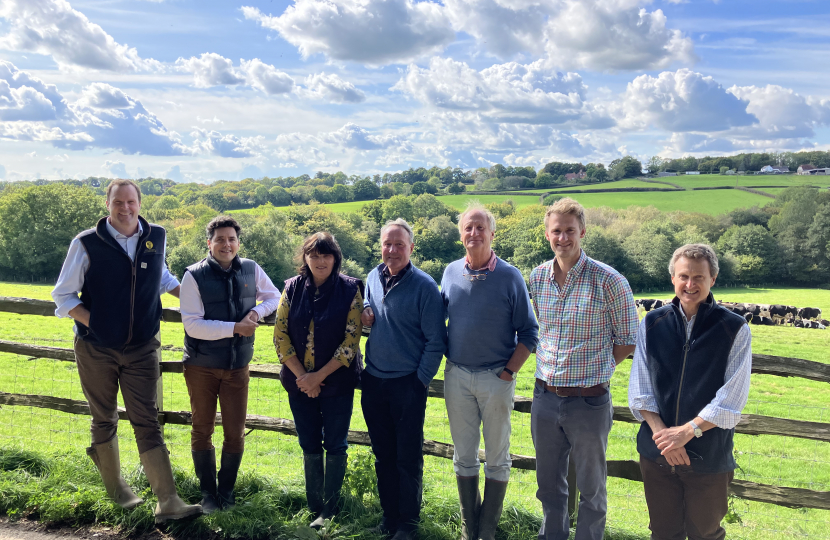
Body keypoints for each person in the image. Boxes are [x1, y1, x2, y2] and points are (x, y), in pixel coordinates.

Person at [51, 179, 201, 524]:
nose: (125, 208)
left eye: (130, 201)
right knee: (104, 417)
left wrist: (196, 301)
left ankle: (168, 502)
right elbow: (63, 296)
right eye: (118, 201)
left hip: (142, 346)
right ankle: (118, 492)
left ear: (139, 203)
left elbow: (162, 277)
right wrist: (97, 324)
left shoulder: (156, 236)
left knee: (147, 420)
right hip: (96, 348)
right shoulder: (87, 242)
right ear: (107, 204)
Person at [528, 197, 638, 540]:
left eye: (569, 231)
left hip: (589, 402)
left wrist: (595, 371)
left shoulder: (609, 281)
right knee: (548, 484)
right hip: (545, 397)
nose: (563, 238)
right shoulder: (538, 278)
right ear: (547, 234)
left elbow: (627, 340)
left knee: (591, 487)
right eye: (556, 231)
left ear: (583, 232)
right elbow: (540, 330)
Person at [628, 244, 751, 540]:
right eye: (683, 276)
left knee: (705, 534)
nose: (690, 284)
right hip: (657, 456)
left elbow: (731, 398)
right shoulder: (651, 323)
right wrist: (666, 439)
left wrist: (687, 432)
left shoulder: (734, 329)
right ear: (673, 278)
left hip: (707, 457)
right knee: (663, 533)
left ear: (713, 279)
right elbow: (641, 389)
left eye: (699, 277)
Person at [440, 203, 538, 540]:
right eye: (468, 227)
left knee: (497, 456)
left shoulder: (509, 276)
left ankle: (487, 530)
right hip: (456, 377)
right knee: (463, 455)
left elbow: (529, 332)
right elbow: (436, 319)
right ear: (460, 235)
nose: (474, 233)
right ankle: (471, 528)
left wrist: (508, 373)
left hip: (496, 377)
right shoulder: (450, 272)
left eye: (480, 227)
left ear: (492, 234)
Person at [179, 216, 280, 513]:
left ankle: (227, 491)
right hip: (201, 366)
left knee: (235, 432)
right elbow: (193, 325)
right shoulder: (193, 276)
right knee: (202, 429)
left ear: (238, 242)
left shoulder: (251, 268)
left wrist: (256, 314)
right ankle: (208, 494)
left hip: (237, 367)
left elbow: (274, 296)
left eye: (232, 239)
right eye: (220, 239)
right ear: (209, 243)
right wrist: (235, 328)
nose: (227, 244)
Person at [361, 219, 447, 540]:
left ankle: (408, 524)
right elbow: (369, 300)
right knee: (383, 454)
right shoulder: (373, 275)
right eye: (387, 243)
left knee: (407, 456)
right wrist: (367, 307)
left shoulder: (425, 287)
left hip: (407, 385)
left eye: (399, 245)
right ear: (380, 245)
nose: (392, 250)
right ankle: (389, 517)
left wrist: (420, 381)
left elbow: (436, 341)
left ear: (411, 248)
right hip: (373, 381)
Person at [273, 232, 364, 528]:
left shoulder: (350, 289)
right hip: (299, 384)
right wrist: (304, 378)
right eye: (314, 255)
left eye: (326, 255)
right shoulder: (291, 288)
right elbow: (280, 335)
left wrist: (318, 377)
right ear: (305, 258)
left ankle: (331, 509)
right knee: (309, 443)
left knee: (335, 444)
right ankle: (314, 508)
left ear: (335, 258)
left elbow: (351, 339)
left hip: (337, 383)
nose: (320, 260)